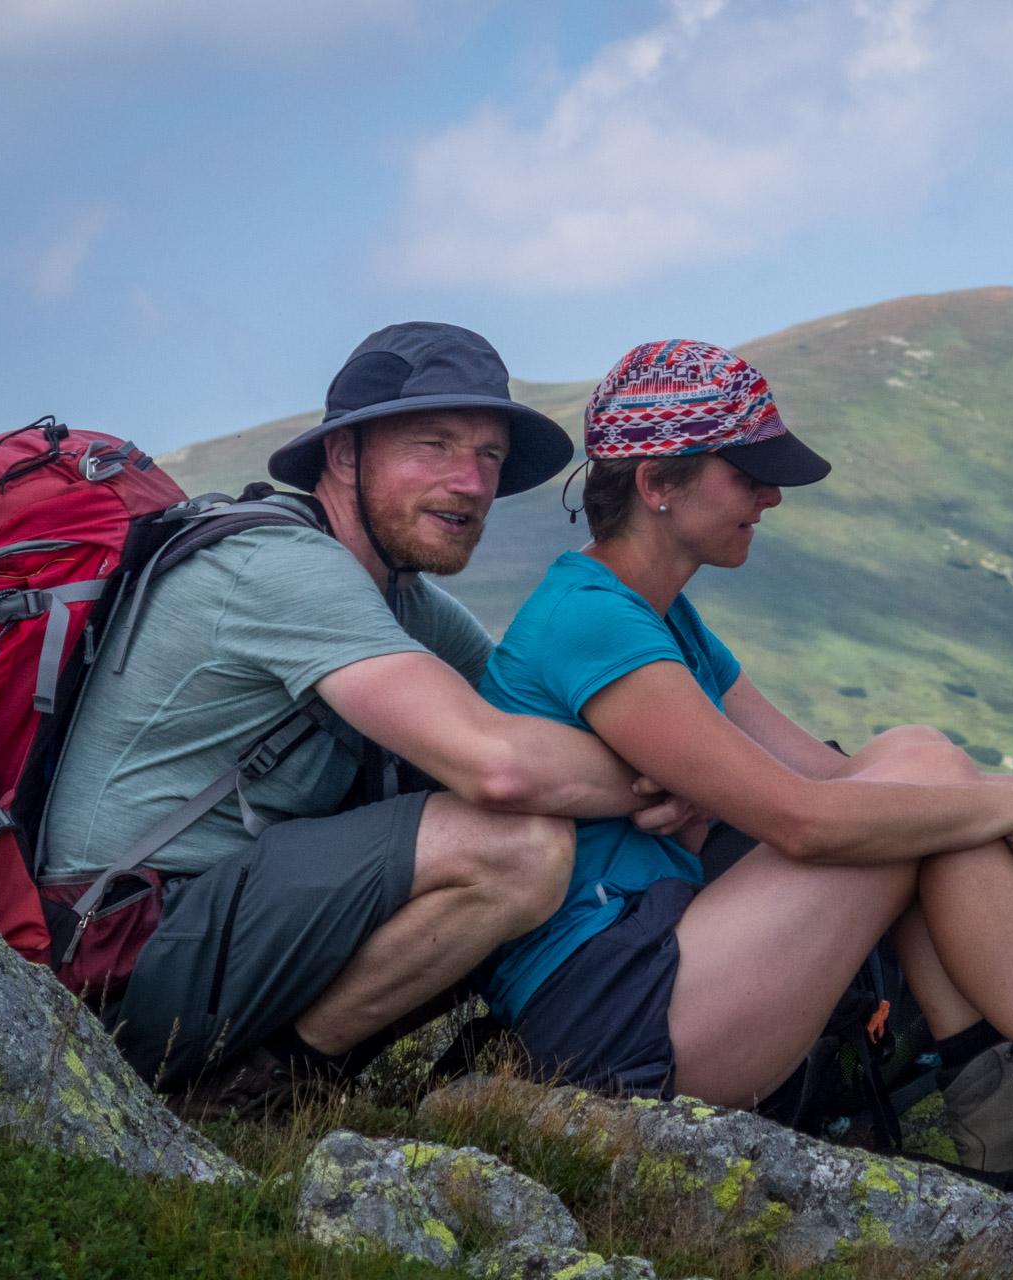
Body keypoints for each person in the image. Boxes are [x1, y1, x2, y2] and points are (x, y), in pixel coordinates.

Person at [475, 339, 1013, 1203]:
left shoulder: (665, 617)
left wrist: (991, 803)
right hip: (617, 1022)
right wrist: (1009, 808)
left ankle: (1001, 1101)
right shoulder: (591, 619)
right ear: (658, 482)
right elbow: (805, 819)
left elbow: (834, 776)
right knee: (929, 794)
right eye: (748, 474)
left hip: (669, 965)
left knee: (919, 752)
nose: (771, 496)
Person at [42, 322, 698, 1118]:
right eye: (433, 445)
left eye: (489, 457)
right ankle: (260, 1091)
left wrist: (655, 762)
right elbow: (501, 760)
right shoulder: (280, 570)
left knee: (539, 813)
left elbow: (531, 715)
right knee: (518, 845)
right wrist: (677, 775)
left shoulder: (401, 601)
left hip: (205, 933)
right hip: (117, 956)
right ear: (345, 456)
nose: (470, 482)